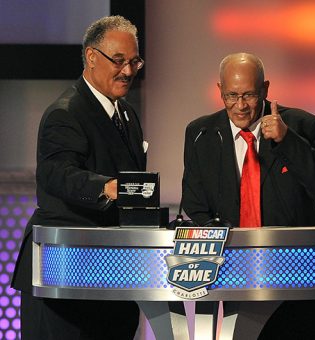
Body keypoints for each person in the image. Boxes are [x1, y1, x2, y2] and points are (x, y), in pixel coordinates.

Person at [182, 52, 315, 339]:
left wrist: (288, 140)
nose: (240, 106)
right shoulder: (200, 133)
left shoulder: (302, 125)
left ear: (265, 89)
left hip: (298, 280)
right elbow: (195, 203)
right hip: (236, 276)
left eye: (249, 95)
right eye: (231, 95)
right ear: (220, 91)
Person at [11, 16, 146, 340]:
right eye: (118, 61)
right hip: (64, 273)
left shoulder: (126, 114)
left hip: (110, 274)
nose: (128, 71)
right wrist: (108, 188)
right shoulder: (66, 112)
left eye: (134, 61)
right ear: (91, 57)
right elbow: (57, 173)